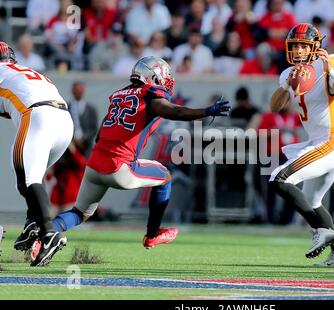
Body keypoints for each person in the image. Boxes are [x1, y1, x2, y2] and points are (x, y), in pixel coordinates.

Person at [30, 57, 231, 265]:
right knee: (166, 177)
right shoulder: (151, 94)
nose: (168, 80)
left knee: (79, 213)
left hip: (94, 165)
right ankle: (152, 234)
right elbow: (173, 111)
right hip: (121, 168)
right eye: (164, 75)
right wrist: (206, 111)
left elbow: (100, 134)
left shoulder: (119, 95)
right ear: (152, 76)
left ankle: (44, 236)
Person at [269, 23, 334, 266]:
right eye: (295, 46)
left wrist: (332, 73)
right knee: (312, 201)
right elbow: (275, 106)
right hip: (318, 143)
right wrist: (288, 84)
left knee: (279, 178)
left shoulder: (327, 64)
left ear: (315, 47)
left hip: (333, 141)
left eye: (303, 45)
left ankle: (321, 230)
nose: (298, 51)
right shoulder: (289, 73)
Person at [0, 41, 74, 267]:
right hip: (64, 122)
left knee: (28, 177)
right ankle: (33, 223)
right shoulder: (23, 71)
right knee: (25, 173)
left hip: (38, 116)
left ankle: (49, 232)